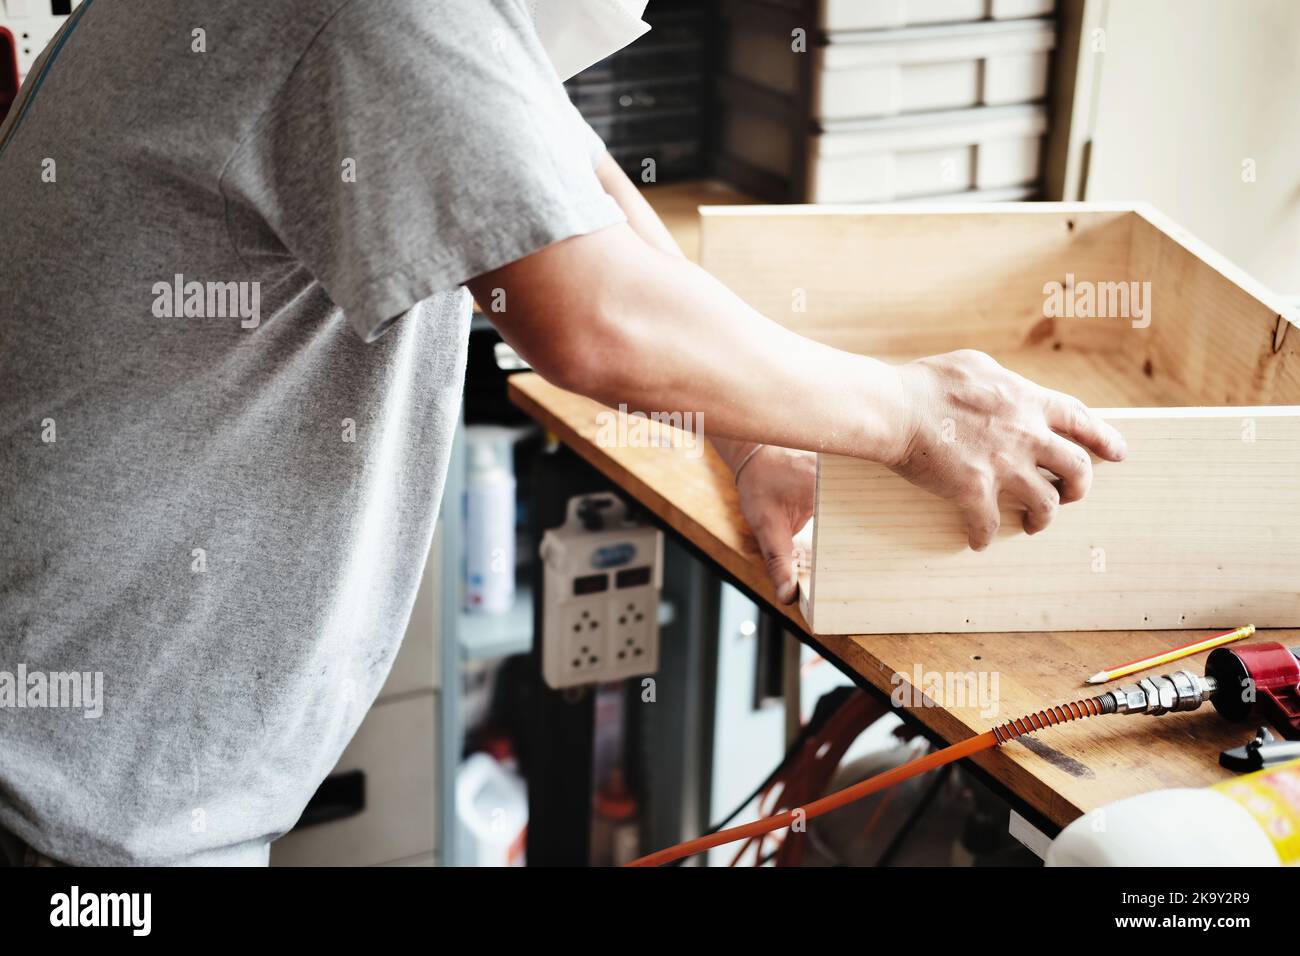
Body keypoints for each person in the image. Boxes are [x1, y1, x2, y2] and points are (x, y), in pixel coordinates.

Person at [0, 0, 1124, 866]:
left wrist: (754, 442)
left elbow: (560, 171)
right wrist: (916, 412)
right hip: (73, 792)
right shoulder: (376, 12)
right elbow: (590, 315)